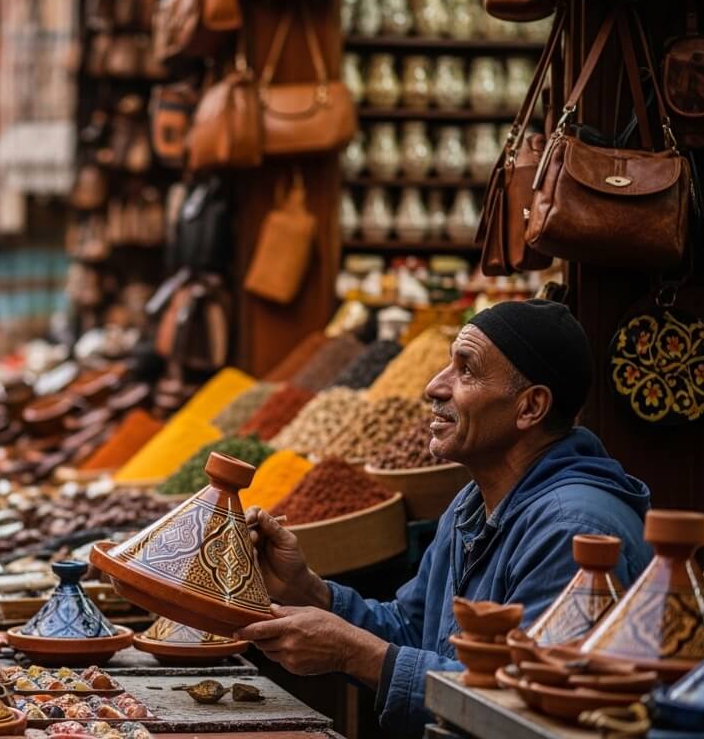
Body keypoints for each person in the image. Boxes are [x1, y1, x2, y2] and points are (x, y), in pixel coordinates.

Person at [238, 300, 653, 736]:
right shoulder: (473, 502)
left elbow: (527, 708)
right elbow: (413, 629)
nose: (434, 386)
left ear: (530, 408)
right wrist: (310, 592)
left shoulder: (573, 532)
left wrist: (355, 654)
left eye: (467, 370)